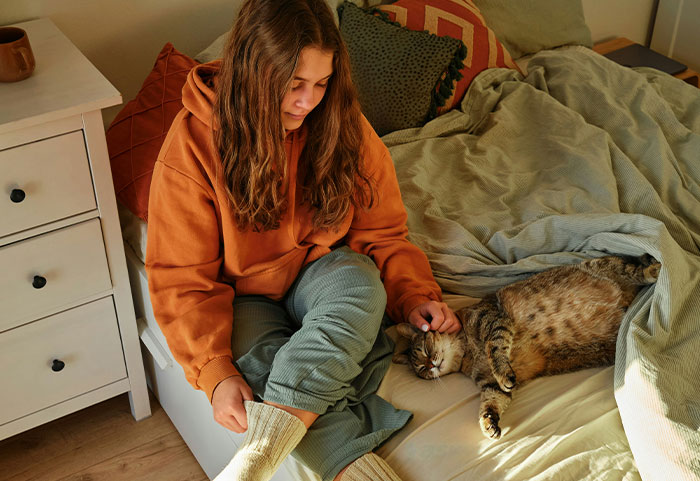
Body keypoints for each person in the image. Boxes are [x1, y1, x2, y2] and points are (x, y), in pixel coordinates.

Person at [145, 0, 460, 480]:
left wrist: (413, 293)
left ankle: (259, 455)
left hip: (322, 268)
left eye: (321, 83)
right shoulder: (190, 143)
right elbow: (181, 278)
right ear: (255, 72)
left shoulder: (342, 122)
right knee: (256, 372)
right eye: (293, 84)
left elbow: (382, 229)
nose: (307, 101)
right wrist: (215, 373)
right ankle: (351, 467)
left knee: (361, 287)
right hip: (241, 295)